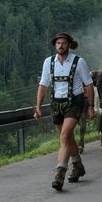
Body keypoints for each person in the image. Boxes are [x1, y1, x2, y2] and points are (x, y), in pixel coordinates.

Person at [34, 32, 96, 191]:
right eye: (58, 43)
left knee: (64, 136)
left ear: (69, 44)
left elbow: (88, 85)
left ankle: (60, 173)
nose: (60, 46)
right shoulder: (49, 62)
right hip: (56, 103)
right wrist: (38, 107)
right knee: (68, 138)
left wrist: (90, 106)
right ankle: (78, 166)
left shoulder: (78, 61)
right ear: (55, 45)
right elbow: (43, 85)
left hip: (74, 102)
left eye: (63, 43)